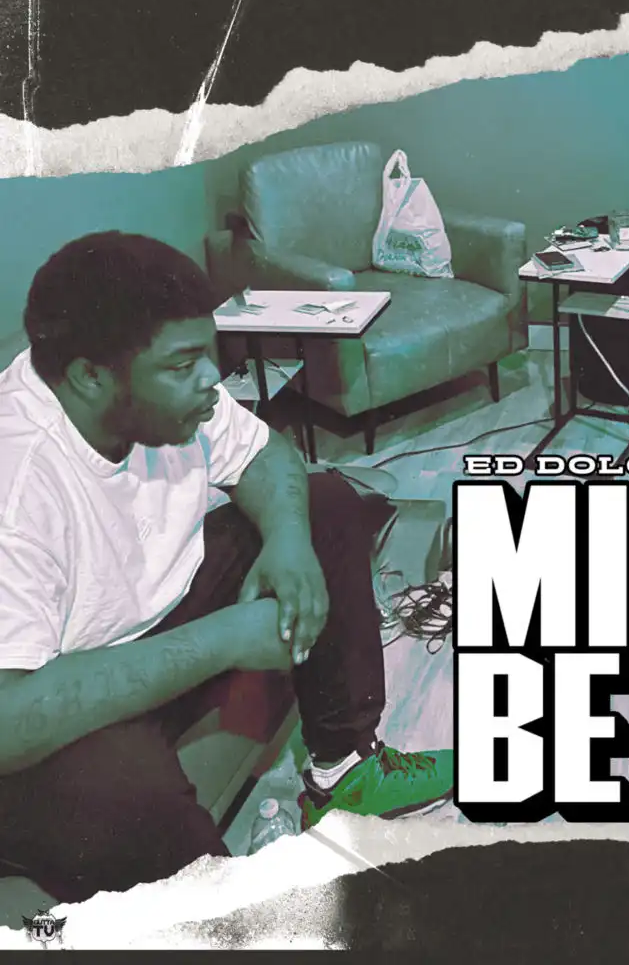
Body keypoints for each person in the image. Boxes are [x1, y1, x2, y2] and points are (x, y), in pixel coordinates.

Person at [0, 232, 454, 904]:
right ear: (90, 376)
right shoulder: (18, 481)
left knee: (326, 504)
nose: (210, 377)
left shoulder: (168, 397)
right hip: (56, 697)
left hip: (155, 614)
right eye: (184, 363)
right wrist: (226, 639)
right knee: (127, 793)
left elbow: (267, 455)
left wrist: (289, 541)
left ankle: (344, 771)